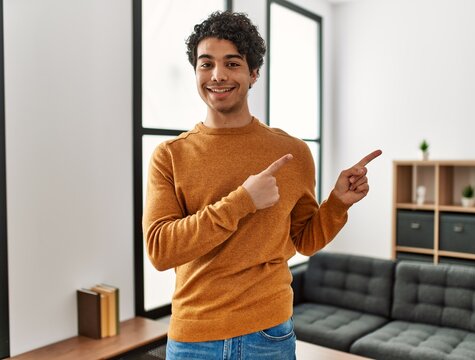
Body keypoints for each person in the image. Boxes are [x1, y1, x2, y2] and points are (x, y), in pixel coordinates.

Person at [142, 10, 382, 360]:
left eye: (232, 64)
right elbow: (161, 251)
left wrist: (337, 204)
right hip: (194, 338)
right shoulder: (170, 155)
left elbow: (305, 241)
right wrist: (242, 201)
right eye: (205, 64)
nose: (217, 75)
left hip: (269, 335)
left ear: (253, 73)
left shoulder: (293, 152)